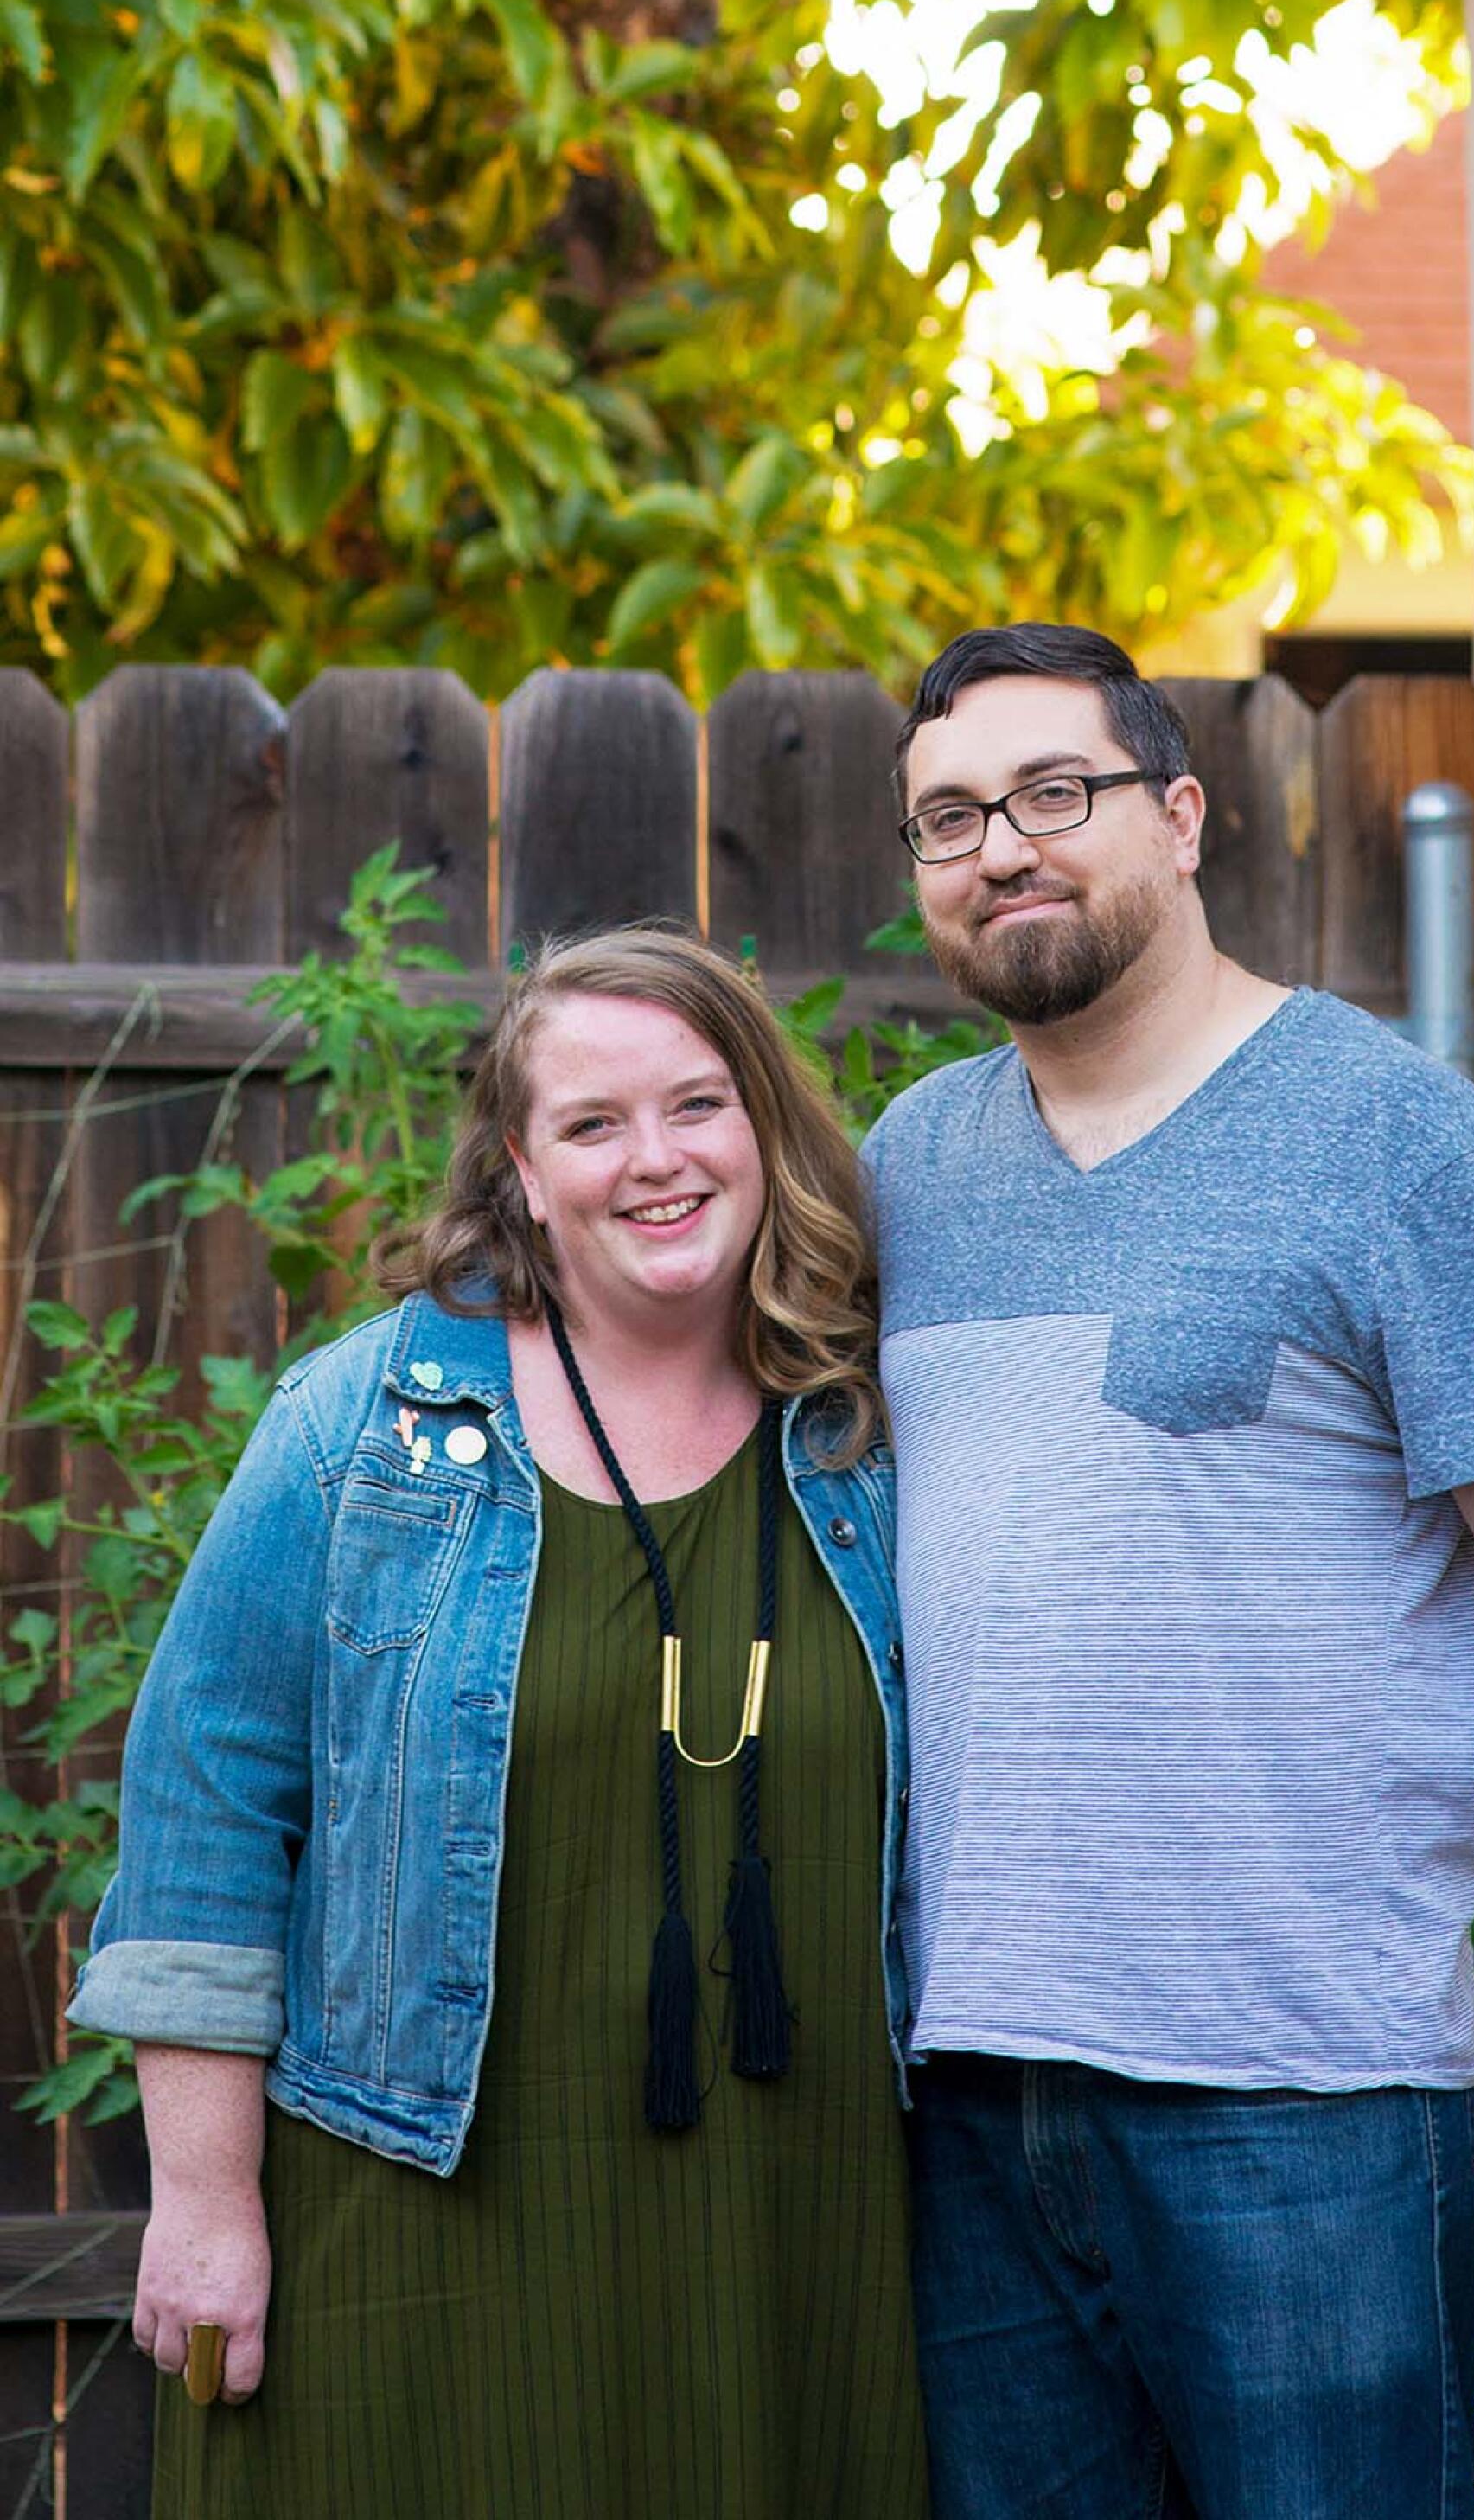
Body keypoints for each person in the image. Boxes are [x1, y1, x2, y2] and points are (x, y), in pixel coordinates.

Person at [861, 622, 1474, 2518]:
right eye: (949, 820)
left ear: (1182, 815)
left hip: (1299, 2098)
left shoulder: (1391, 1140)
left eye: (1056, 794)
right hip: (968, 2088)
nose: (1003, 849)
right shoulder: (906, 1170)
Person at [69, 928, 929, 2520]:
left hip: (805, 2231)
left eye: (697, 1105)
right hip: (418, 2205)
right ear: (522, 1175)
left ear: (767, 1130)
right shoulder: (366, 1426)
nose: (655, 1161)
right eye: (592, 1125)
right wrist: (201, 2196)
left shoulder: (879, 1427)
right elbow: (204, 1792)